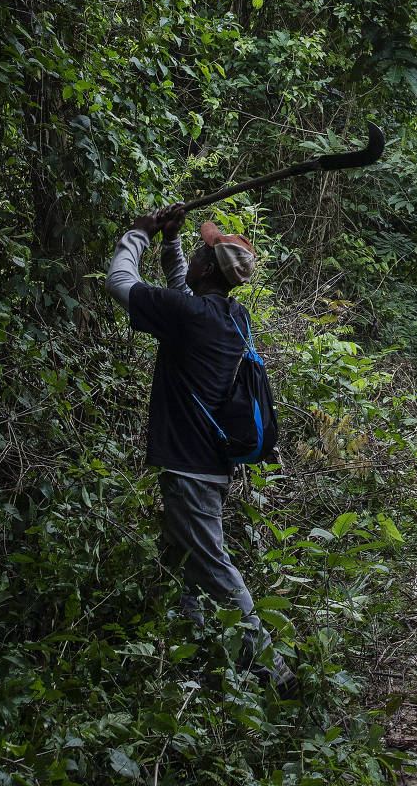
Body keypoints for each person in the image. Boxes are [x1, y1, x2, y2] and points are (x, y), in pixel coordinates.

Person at [107, 207, 287, 684]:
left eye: (200, 251)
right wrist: (171, 243)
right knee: (186, 562)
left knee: (213, 564)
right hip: (211, 463)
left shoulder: (191, 316)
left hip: (190, 468)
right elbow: (183, 293)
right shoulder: (231, 315)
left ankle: (273, 670)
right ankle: (191, 653)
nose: (194, 255)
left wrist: (137, 235)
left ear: (208, 268)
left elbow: (120, 284)